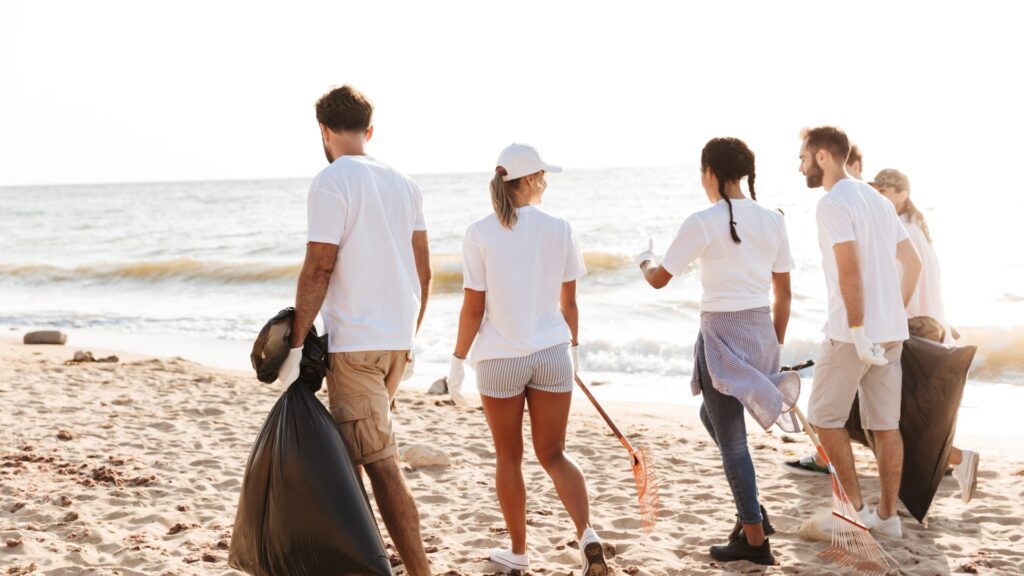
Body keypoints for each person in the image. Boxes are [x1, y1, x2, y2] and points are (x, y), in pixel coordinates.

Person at [278, 85, 433, 575]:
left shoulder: (331, 181)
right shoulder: (405, 184)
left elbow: (319, 266)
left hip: (358, 346)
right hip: (396, 344)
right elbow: (424, 272)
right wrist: (408, 334)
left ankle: (418, 571)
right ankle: (361, 562)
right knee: (355, 458)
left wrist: (296, 344)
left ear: (323, 131)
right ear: (369, 130)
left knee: (380, 463)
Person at [634, 137, 799, 566]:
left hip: (722, 337)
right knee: (714, 419)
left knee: (732, 441)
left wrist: (644, 259)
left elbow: (658, 279)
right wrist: (773, 345)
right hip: (762, 331)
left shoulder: (703, 220)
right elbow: (783, 294)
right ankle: (756, 512)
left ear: (710, 171)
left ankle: (755, 539)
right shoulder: (773, 219)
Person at [446, 143, 607, 575]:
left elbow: (474, 308)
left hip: (500, 359)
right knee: (554, 453)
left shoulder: (480, 231)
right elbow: (569, 303)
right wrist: (573, 349)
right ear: (529, 180)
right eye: (542, 175)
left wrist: (457, 360)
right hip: (553, 353)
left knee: (509, 457)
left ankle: (518, 552)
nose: (546, 182)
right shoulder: (561, 227)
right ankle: (587, 534)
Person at [798, 126, 922, 539]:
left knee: (823, 418)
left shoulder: (833, 202)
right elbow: (913, 262)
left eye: (803, 158)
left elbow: (848, 268)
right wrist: (892, 312)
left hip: (853, 333)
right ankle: (888, 520)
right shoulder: (877, 199)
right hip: (890, 330)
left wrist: (857, 326)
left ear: (822, 157)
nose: (800, 166)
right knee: (885, 426)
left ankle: (854, 511)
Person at [871, 168, 979, 502]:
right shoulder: (915, 226)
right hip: (928, 328)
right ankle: (946, 463)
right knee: (900, 415)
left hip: (912, 329)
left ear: (902, 194)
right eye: (876, 191)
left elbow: (899, 283)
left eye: (885, 190)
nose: (879, 196)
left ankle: (957, 458)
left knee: (894, 416)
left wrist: (888, 322)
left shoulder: (901, 229)